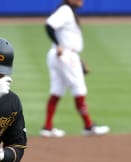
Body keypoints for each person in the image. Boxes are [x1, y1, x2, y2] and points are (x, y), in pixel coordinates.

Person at [40, 0, 109, 138]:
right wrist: (59, 45)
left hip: (61, 55)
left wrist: (77, 59)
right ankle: (89, 126)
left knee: (56, 91)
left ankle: (47, 127)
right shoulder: (65, 10)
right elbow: (49, 25)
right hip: (65, 54)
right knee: (79, 89)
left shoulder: (67, 11)